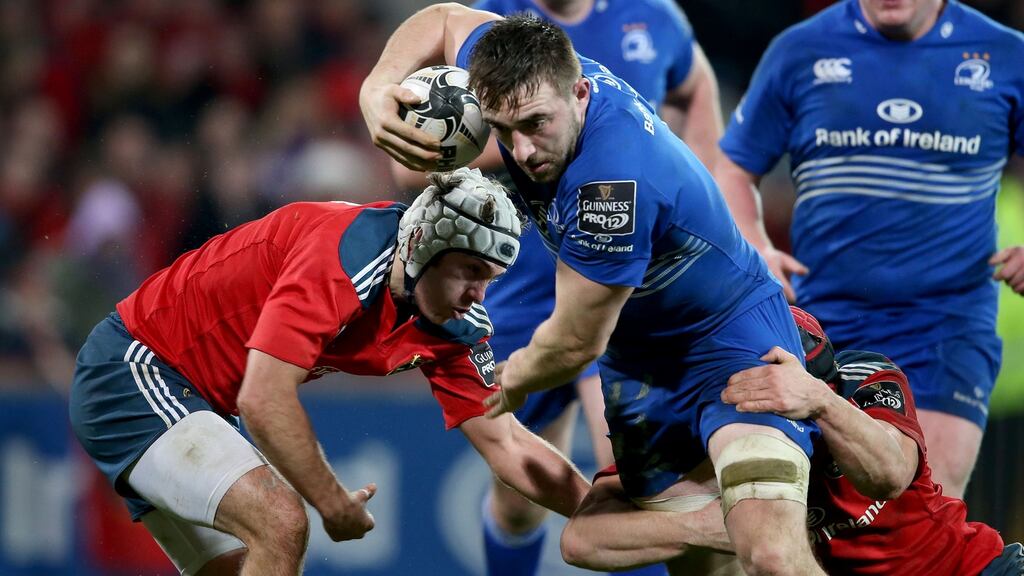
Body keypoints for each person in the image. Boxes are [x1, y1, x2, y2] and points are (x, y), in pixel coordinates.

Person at [361, 7, 824, 575]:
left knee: (771, 555)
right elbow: (443, 19)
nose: (521, 152)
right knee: (698, 562)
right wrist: (376, 88)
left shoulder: (611, 183)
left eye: (535, 125)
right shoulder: (532, 71)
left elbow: (576, 342)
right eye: (503, 129)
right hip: (638, 360)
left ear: (580, 93)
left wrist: (511, 379)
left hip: (727, 342)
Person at [67, 168, 591, 576]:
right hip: (136, 367)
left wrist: (598, 510)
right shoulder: (344, 255)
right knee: (280, 522)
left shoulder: (455, 325)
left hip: (196, 402)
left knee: (245, 564)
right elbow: (263, 398)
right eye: (470, 271)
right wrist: (331, 502)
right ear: (421, 246)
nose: (479, 294)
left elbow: (508, 445)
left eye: (491, 278)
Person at [714, 0, 1024, 499]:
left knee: (923, 506)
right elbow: (734, 168)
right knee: (825, 511)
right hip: (825, 329)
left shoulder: (1006, 55)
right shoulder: (800, 50)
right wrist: (756, 247)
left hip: (945, 329)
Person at [560, 306, 1024, 576]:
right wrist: (703, 525)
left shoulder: (863, 380)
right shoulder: (706, 431)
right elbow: (581, 539)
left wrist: (821, 403)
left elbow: (892, 473)